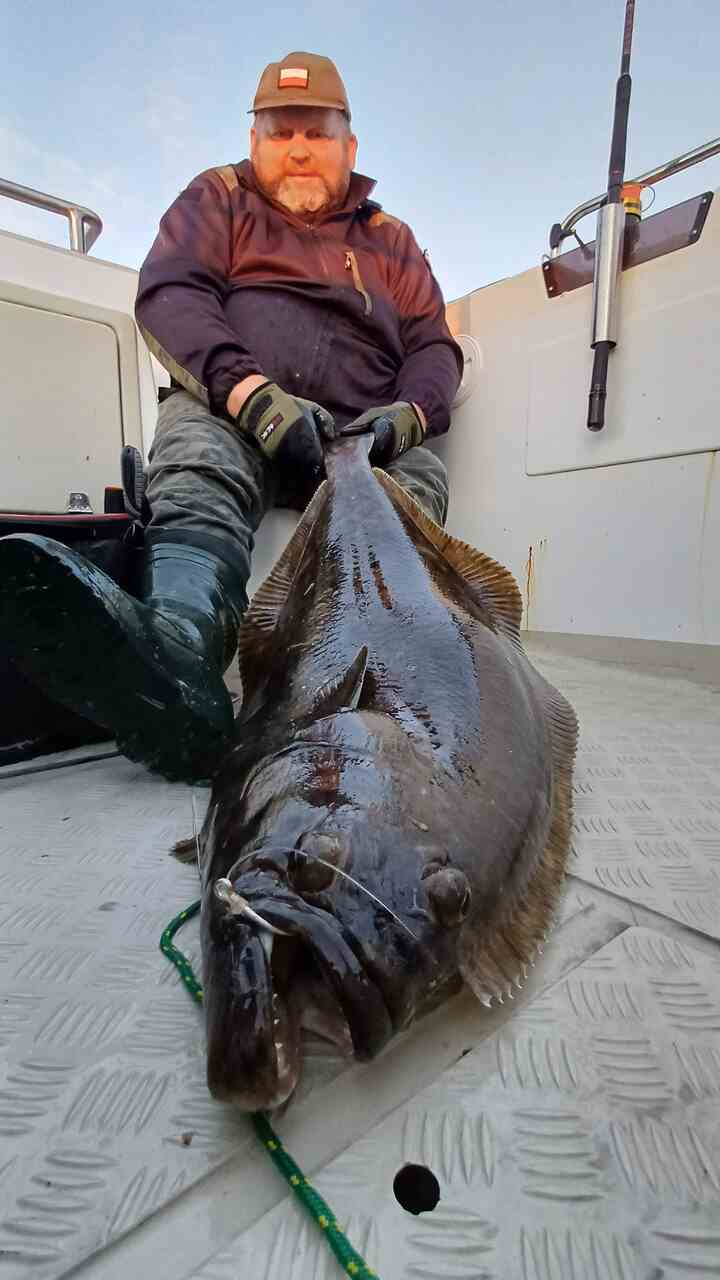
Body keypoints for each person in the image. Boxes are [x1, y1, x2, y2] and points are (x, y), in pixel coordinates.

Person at [0, 51, 462, 783]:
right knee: (197, 449)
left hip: (362, 441)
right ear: (254, 141)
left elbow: (434, 348)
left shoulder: (392, 240)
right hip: (244, 413)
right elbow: (171, 294)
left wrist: (401, 421)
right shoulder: (217, 198)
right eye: (281, 132)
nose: (299, 149)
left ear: (350, 145)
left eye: (318, 131)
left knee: (418, 481)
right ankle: (179, 660)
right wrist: (253, 397)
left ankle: (378, 684)